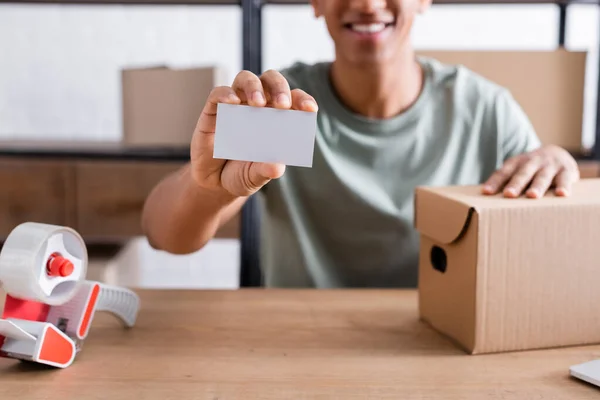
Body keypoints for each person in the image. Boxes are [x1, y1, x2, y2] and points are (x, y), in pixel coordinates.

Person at [141, 0, 580, 288]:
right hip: (298, 347)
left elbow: (547, 258)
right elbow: (165, 237)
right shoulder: (283, 110)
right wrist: (210, 189)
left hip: (441, 343)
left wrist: (558, 165)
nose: (368, 4)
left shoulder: (485, 110)